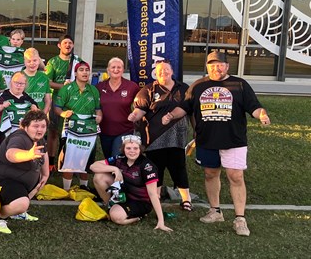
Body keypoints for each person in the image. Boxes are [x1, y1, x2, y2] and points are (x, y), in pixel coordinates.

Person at [160, 51, 270, 236]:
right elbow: (185, 107)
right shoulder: (198, 86)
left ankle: (240, 218)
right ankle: (215, 211)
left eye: (220, 64)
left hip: (234, 140)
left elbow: (254, 107)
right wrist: (171, 115)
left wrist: (262, 115)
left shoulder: (239, 85)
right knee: (211, 174)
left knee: (235, 177)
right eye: (212, 64)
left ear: (227, 66)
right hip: (206, 140)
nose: (216, 68)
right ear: (207, 66)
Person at [128, 59, 193, 211]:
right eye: (159, 71)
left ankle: (186, 199)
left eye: (166, 70)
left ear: (172, 71)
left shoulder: (184, 89)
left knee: (179, 168)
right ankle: (155, 197)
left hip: (177, 138)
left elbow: (189, 110)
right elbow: (140, 110)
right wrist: (134, 116)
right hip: (154, 137)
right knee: (155, 169)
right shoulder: (148, 90)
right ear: (155, 73)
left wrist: (196, 131)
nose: (163, 73)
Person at [0, 109, 48, 234]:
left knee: (38, 183)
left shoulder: (39, 138)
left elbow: (44, 152)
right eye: (35, 126)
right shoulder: (19, 137)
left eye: (43, 126)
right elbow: (11, 154)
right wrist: (28, 154)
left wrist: (45, 174)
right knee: (22, 203)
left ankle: (16, 212)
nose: (40, 129)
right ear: (24, 126)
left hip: (18, 182)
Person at [90, 135, 172, 231]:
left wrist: (161, 221)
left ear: (140, 149)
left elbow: (153, 194)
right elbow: (93, 166)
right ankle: (110, 205)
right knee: (99, 177)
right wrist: (115, 169)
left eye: (135, 148)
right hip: (124, 194)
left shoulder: (147, 166)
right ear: (123, 149)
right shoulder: (120, 158)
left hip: (141, 202)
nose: (132, 151)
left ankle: (137, 217)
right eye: (128, 148)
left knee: (116, 217)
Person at [53, 60, 102, 191]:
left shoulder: (93, 90)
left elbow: (98, 109)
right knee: (70, 157)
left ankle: (83, 188)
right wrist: (63, 113)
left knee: (85, 157)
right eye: (81, 70)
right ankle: (66, 189)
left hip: (89, 128)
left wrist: (100, 116)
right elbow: (57, 108)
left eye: (87, 70)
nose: (85, 72)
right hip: (71, 127)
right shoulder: (66, 89)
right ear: (75, 73)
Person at [45, 34, 82, 162]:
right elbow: (47, 82)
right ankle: (51, 160)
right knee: (53, 130)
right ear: (59, 45)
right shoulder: (53, 62)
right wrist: (63, 86)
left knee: (71, 131)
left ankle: (67, 159)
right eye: (65, 43)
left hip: (73, 101)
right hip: (57, 100)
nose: (68, 45)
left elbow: (84, 78)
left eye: (70, 43)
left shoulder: (77, 61)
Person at [97, 57, 139, 159]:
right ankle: (112, 174)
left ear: (123, 69)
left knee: (116, 157)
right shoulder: (99, 87)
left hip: (124, 129)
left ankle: (117, 174)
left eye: (119, 67)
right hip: (105, 130)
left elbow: (140, 104)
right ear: (108, 70)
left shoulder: (131, 86)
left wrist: (135, 113)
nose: (116, 70)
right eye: (113, 67)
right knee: (109, 158)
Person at [0, 72, 38, 154]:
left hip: (22, 137)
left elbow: (38, 114)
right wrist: (2, 106)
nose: (18, 86)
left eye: (21, 83)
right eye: (16, 83)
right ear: (10, 82)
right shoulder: (1, 96)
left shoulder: (28, 99)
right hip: (0, 135)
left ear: (25, 85)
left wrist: (35, 109)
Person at [22, 48, 51, 116]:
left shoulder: (44, 77)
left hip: (40, 115)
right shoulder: (19, 76)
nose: (32, 63)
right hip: (24, 115)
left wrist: (43, 115)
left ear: (39, 61)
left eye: (35, 60)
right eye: (29, 61)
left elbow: (48, 100)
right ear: (24, 62)